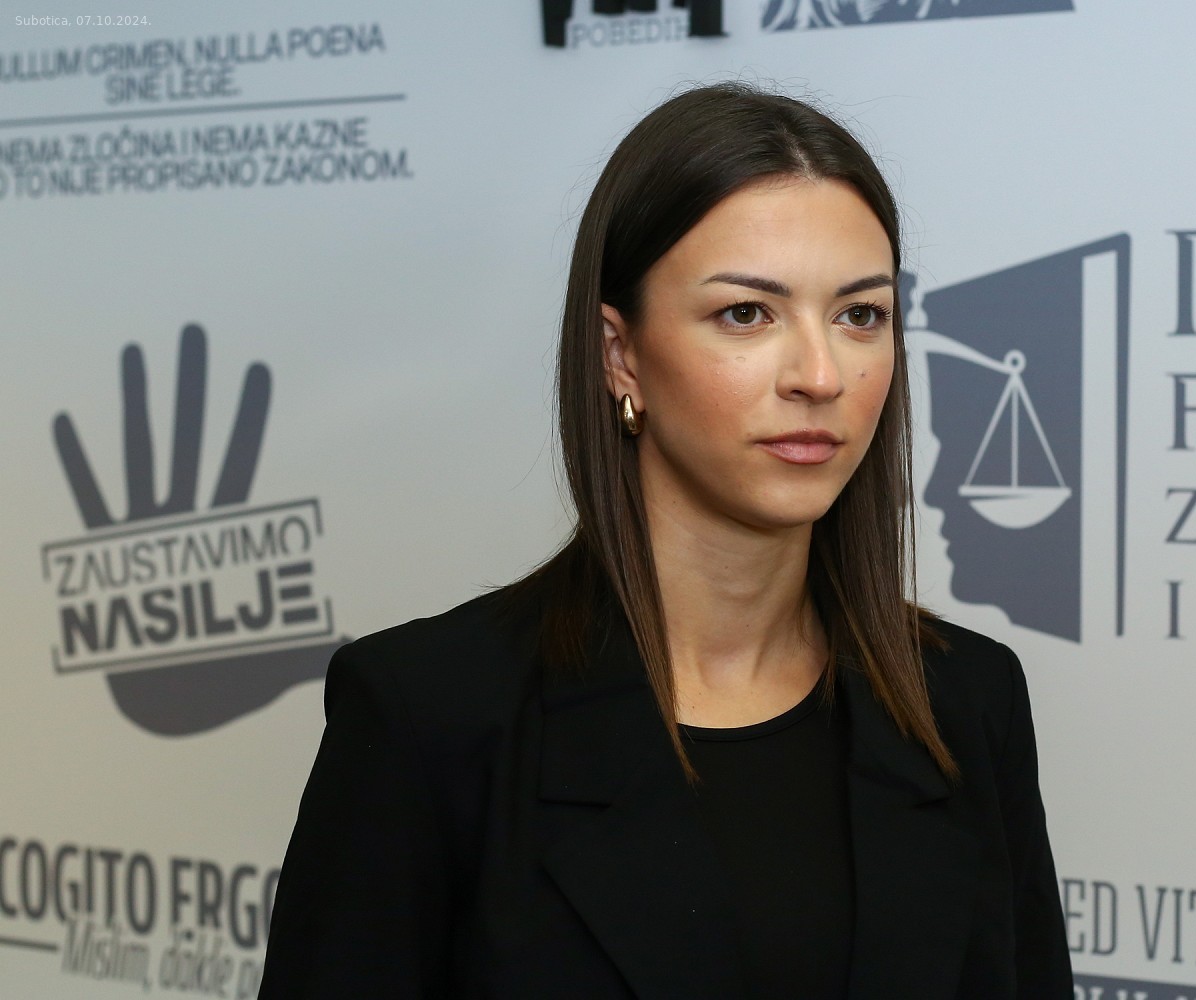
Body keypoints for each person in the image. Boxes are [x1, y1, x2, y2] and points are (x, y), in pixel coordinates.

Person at [257, 81, 1072, 999]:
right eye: (746, 313)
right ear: (621, 355)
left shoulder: (967, 699)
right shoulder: (429, 716)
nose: (819, 375)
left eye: (860, 315)